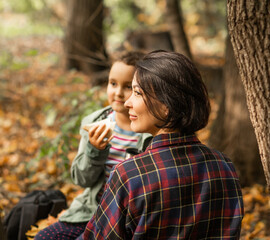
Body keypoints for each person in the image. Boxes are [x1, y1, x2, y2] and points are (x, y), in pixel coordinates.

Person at [78, 50, 244, 240]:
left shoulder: (129, 175)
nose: (128, 102)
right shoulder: (225, 166)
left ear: (167, 106)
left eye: (138, 93)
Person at [34, 51, 152, 240]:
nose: (118, 92)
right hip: (91, 211)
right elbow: (82, 180)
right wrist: (94, 151)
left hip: (129, 218)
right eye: (112, 83)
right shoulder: (96, 123)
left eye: (128, 86)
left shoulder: (149, 131)